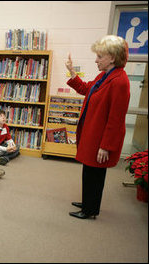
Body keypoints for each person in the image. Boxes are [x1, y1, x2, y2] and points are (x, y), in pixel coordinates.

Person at [65, 35, 130, 220]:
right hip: (92, 133)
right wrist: (71, 71)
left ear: (112, 57)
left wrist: (106, 146)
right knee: (89, 172)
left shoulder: (120, 82)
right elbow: (87, 89)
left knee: (95, 175)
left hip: (101, 139)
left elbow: (116, 119)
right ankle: (88, 202)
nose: (96, 60)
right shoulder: (105, 75)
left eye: (100, 56)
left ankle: (90, 210)